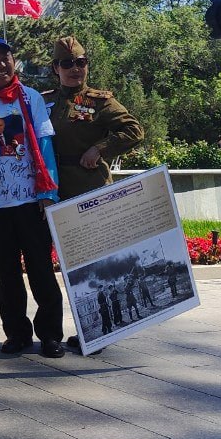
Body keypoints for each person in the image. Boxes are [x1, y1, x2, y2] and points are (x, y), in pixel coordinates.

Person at [48, 35, 144, 349]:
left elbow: (133, 130)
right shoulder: (45, 100)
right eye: (67, 64)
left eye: (81, 62)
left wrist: (99, 148)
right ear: (55, 68)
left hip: (89, 190)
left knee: (94, 265)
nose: (75, 69)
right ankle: (80, 327)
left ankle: (100, 330)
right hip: (55, 191)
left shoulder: (98, 101)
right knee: (68, 264)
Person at [0, 36, 65, 358]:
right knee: (8, 273)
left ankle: (51, 335)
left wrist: (48, 194)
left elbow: (44, 146)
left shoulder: (30, 99)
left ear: (14, 61)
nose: (1, 65)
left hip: (31, 200)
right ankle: (16, 333)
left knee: (41, 269)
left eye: (6, 58)